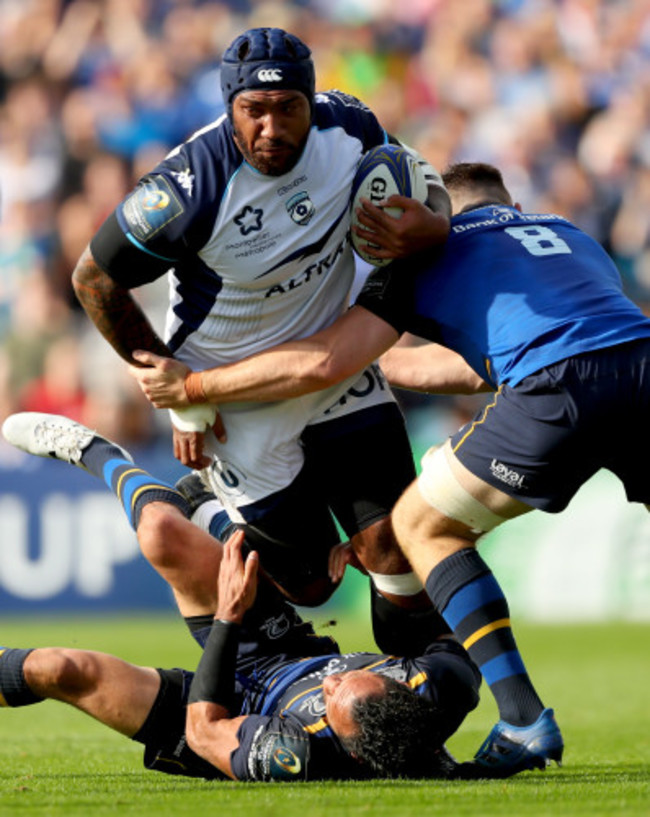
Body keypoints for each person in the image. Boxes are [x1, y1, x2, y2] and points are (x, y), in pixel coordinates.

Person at [129, 161, 650, 776]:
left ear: (438, 210)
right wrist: (378, 367)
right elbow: (487, 362)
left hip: (558, 383)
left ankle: (523, 720)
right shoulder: (567, 235)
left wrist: (195, 384)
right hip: (638, 360)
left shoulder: (430, 247)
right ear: (504, 200)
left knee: (424, 526)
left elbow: (326, 362)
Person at [70, 25, 453, 650]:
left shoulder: (350, 127)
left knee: (392, 546)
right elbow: (93, 279)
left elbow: (417, 179)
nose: (271, 128)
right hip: (233, 395)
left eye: (288, 108)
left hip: (331, 362)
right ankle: (202, 501)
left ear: (312, 101)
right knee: (309, 587)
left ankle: (418, 701)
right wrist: (184, 397)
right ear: (230, 108)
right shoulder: (189, 187)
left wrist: (430, 224)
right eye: (254, 111)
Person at [1, 411, 481, 781]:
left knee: (59, 670)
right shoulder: (443, 684)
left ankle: (93, 451)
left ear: (351, 749)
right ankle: (203, 503)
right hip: (283, 648)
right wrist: (378, 568)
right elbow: (443, 576)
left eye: (333, 696)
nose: (335, 679)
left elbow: (203, 731)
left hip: (226, 711)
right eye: (357, 676)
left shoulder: (292, 753)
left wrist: (229, 616)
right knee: (165, 532)